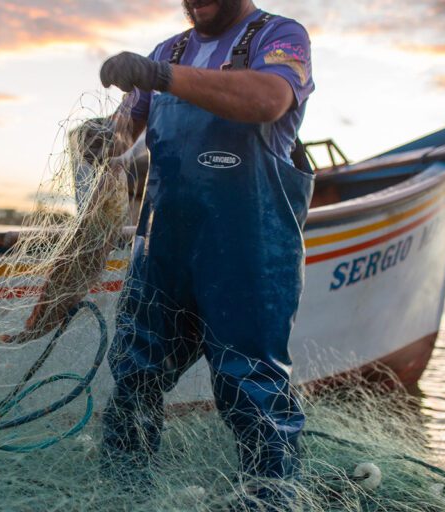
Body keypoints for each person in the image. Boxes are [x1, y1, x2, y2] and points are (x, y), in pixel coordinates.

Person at [95, 0, 315, 499]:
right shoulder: (170, 49)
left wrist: (159, 75)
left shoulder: (278, 36)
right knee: (135, 378)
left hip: (248, 253)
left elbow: (268, 99)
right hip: (163, 253)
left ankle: (270, 500)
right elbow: (123, 131)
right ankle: (123, 497)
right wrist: (100, 138)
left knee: (251, 387)